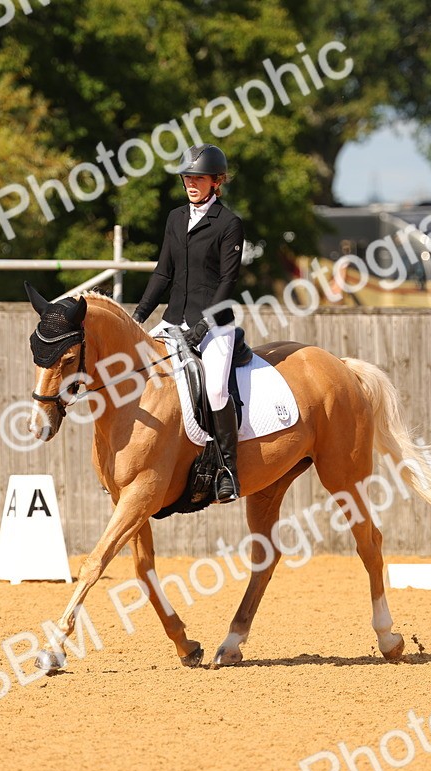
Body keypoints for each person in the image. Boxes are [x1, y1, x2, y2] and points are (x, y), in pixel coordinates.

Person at [132, 143, 244, 503]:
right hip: (172, 322)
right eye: (187, 177)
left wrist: (203, 327)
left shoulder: (228, 224)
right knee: (136, 373)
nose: (191, 183)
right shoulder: (175, 218)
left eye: (199, 178)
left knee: (215, 390)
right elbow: (163, 273)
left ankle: (228, 469)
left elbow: (227, 282)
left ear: (216, 182)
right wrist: (137, 317)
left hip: (215, 326)